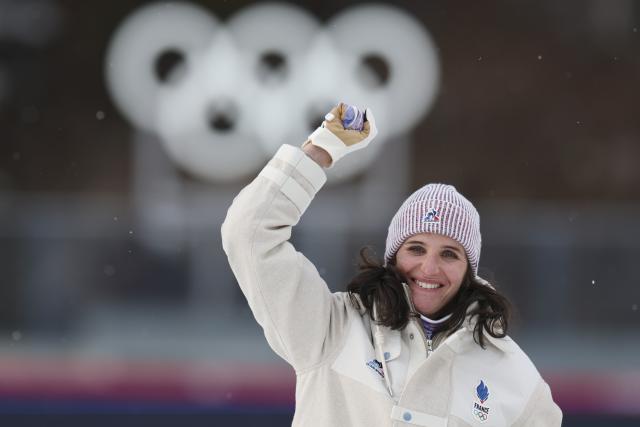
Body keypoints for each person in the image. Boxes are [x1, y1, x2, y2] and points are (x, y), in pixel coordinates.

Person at [222, 103, 562, 426]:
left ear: (468, 269)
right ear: (393, 257)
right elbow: (248, 233)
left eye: (449, 254)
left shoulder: (513, 374)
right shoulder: (330, 329)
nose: (429, 268)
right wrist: (321, 150)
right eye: (416, 248)